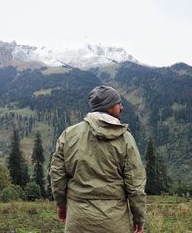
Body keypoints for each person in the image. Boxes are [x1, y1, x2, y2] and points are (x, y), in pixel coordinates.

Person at [50, 85, 146, 233]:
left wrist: (61, 205)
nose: (121, 107)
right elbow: (135, 185)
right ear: (109, 107)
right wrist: (138, 218)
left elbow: (57, 176)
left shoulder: (69, 135)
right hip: (114, 222)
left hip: (78, 220)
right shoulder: (125, 138)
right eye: (118, 103)